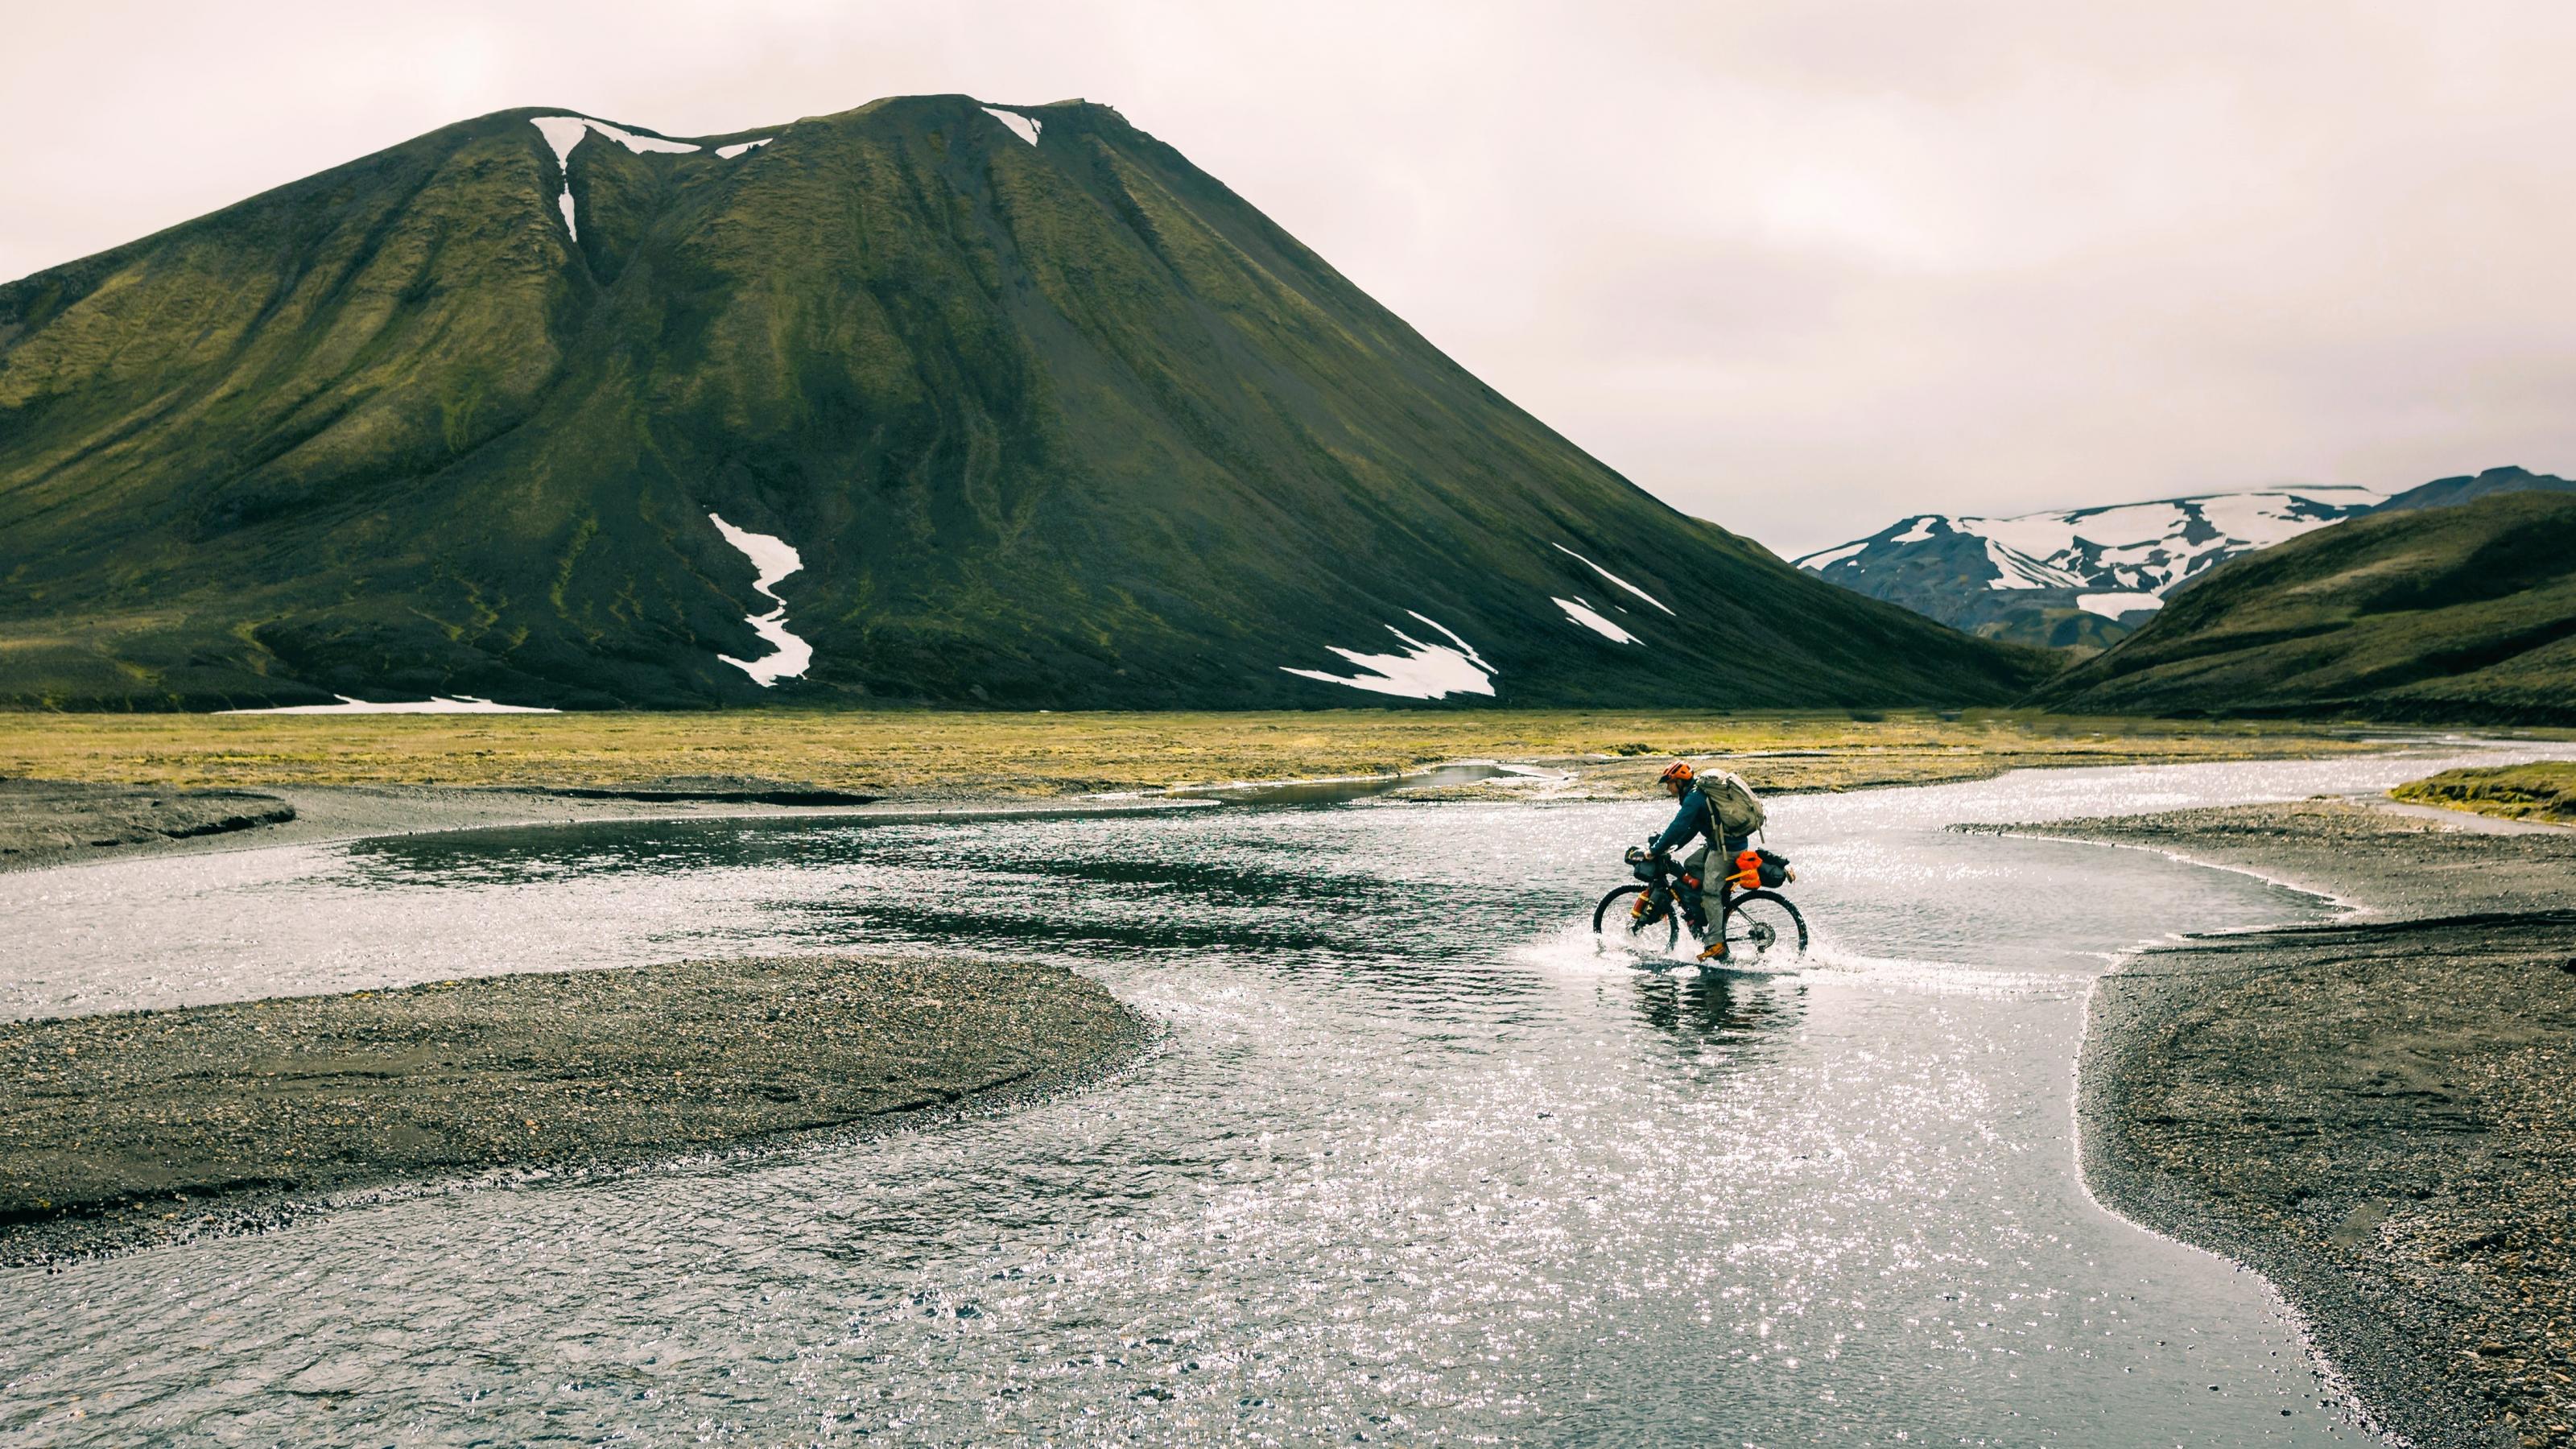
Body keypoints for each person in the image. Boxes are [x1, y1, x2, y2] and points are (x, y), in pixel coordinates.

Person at [1646, 760, 1760, 963]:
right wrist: (1674, 847)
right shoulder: (1698, 793)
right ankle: (1703, 912)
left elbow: (1679, 826)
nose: (1668, 788)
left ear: (1679, 781)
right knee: (1691, 864)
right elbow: (1693, 828)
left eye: (1669, 783)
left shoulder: (1694, 798)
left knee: (1710, 893)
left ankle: (1716, 942)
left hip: (1726, 850)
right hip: (1724, 843)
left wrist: (1656, 850)